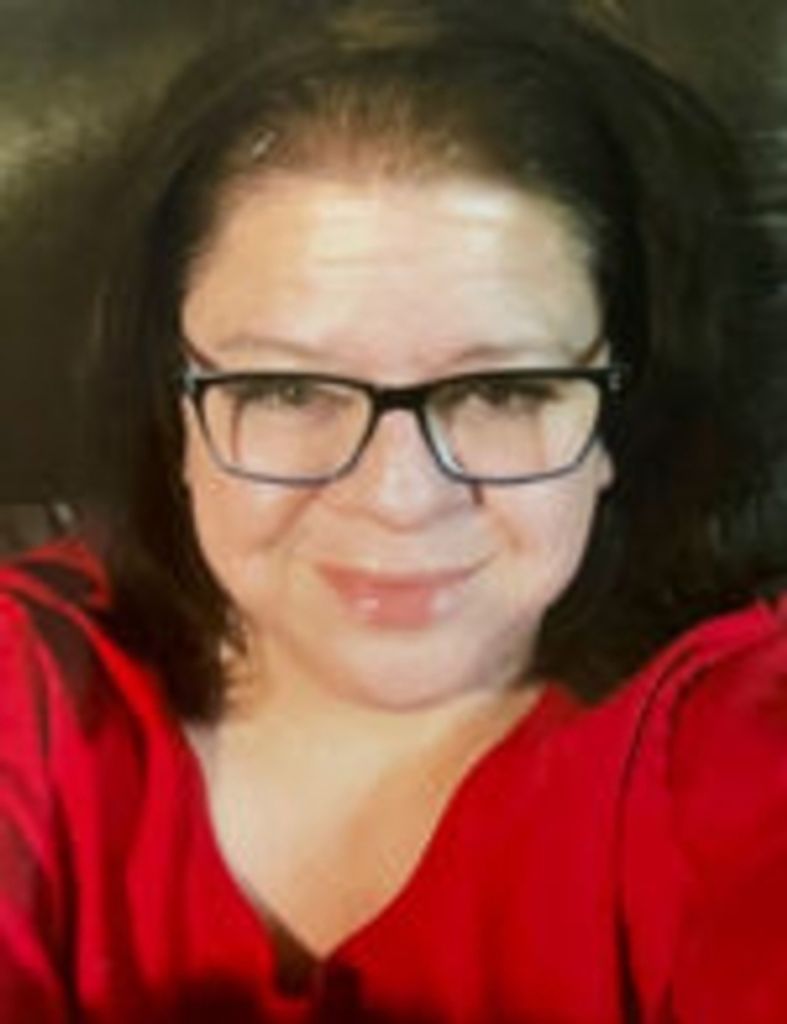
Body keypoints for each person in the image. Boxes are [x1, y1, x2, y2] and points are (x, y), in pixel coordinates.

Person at [1, 1, 785, 1020]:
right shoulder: (31, 682)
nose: (399, 499)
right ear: (175, 411)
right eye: (287, 389)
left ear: (617, 419)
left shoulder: (732, 749)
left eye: (503, 390)